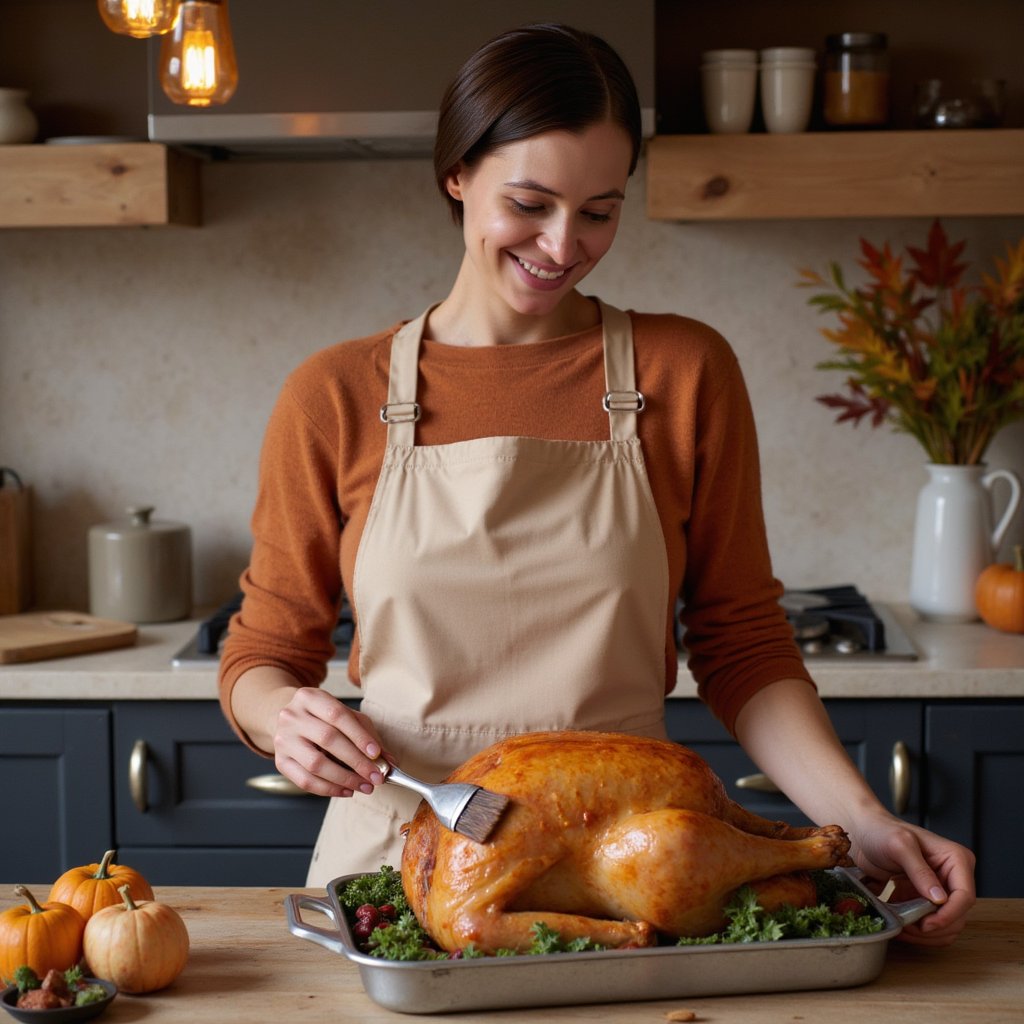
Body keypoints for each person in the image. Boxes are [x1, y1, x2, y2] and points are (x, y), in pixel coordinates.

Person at [219, 23, 975, 945]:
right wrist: (281, 719)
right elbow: (263, 654)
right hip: (404, 862)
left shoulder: (685, 370)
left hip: (638, 867)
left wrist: (866, 822)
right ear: (457, 174)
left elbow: (741, 643)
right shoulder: (335, 393)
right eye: (529, 203)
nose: (562, 244)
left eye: (600, 211)